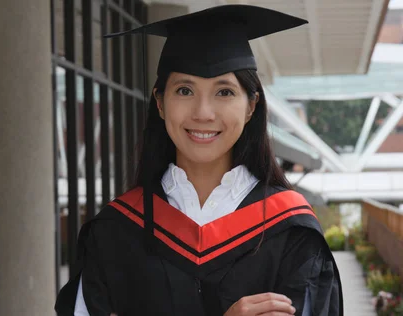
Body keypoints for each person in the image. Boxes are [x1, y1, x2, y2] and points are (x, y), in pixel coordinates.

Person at [55, 4, 343, 316]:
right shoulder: (115, 231)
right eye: (184, 90)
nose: (203, 113)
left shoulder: (291, 232)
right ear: (161, 103)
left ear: (251, 106)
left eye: (224, 92)